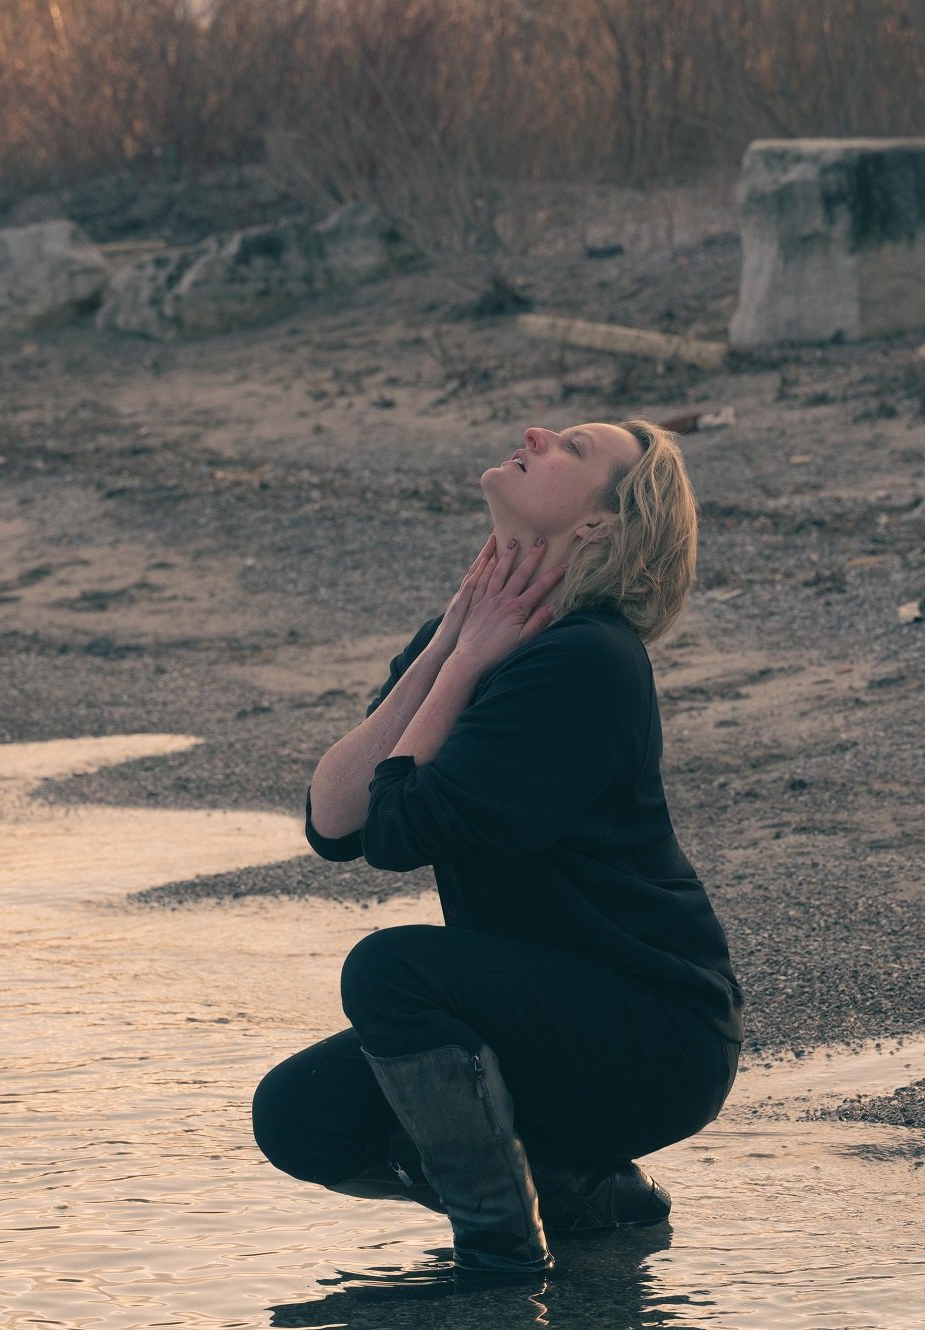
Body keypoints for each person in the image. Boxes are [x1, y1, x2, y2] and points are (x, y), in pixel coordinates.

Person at [251, 419, 745, 1280]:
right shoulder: (484, 637)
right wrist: (451, 641)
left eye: (574, 449)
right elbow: (333, 823)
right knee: (298, 1113)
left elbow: (397, 831)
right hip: (537, 1021)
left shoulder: (587, 662)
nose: (536, 432)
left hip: (653, 1037)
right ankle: (574, 1191)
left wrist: (472, 656)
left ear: (596, 524)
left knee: (388, 972)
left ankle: (500, 1261)